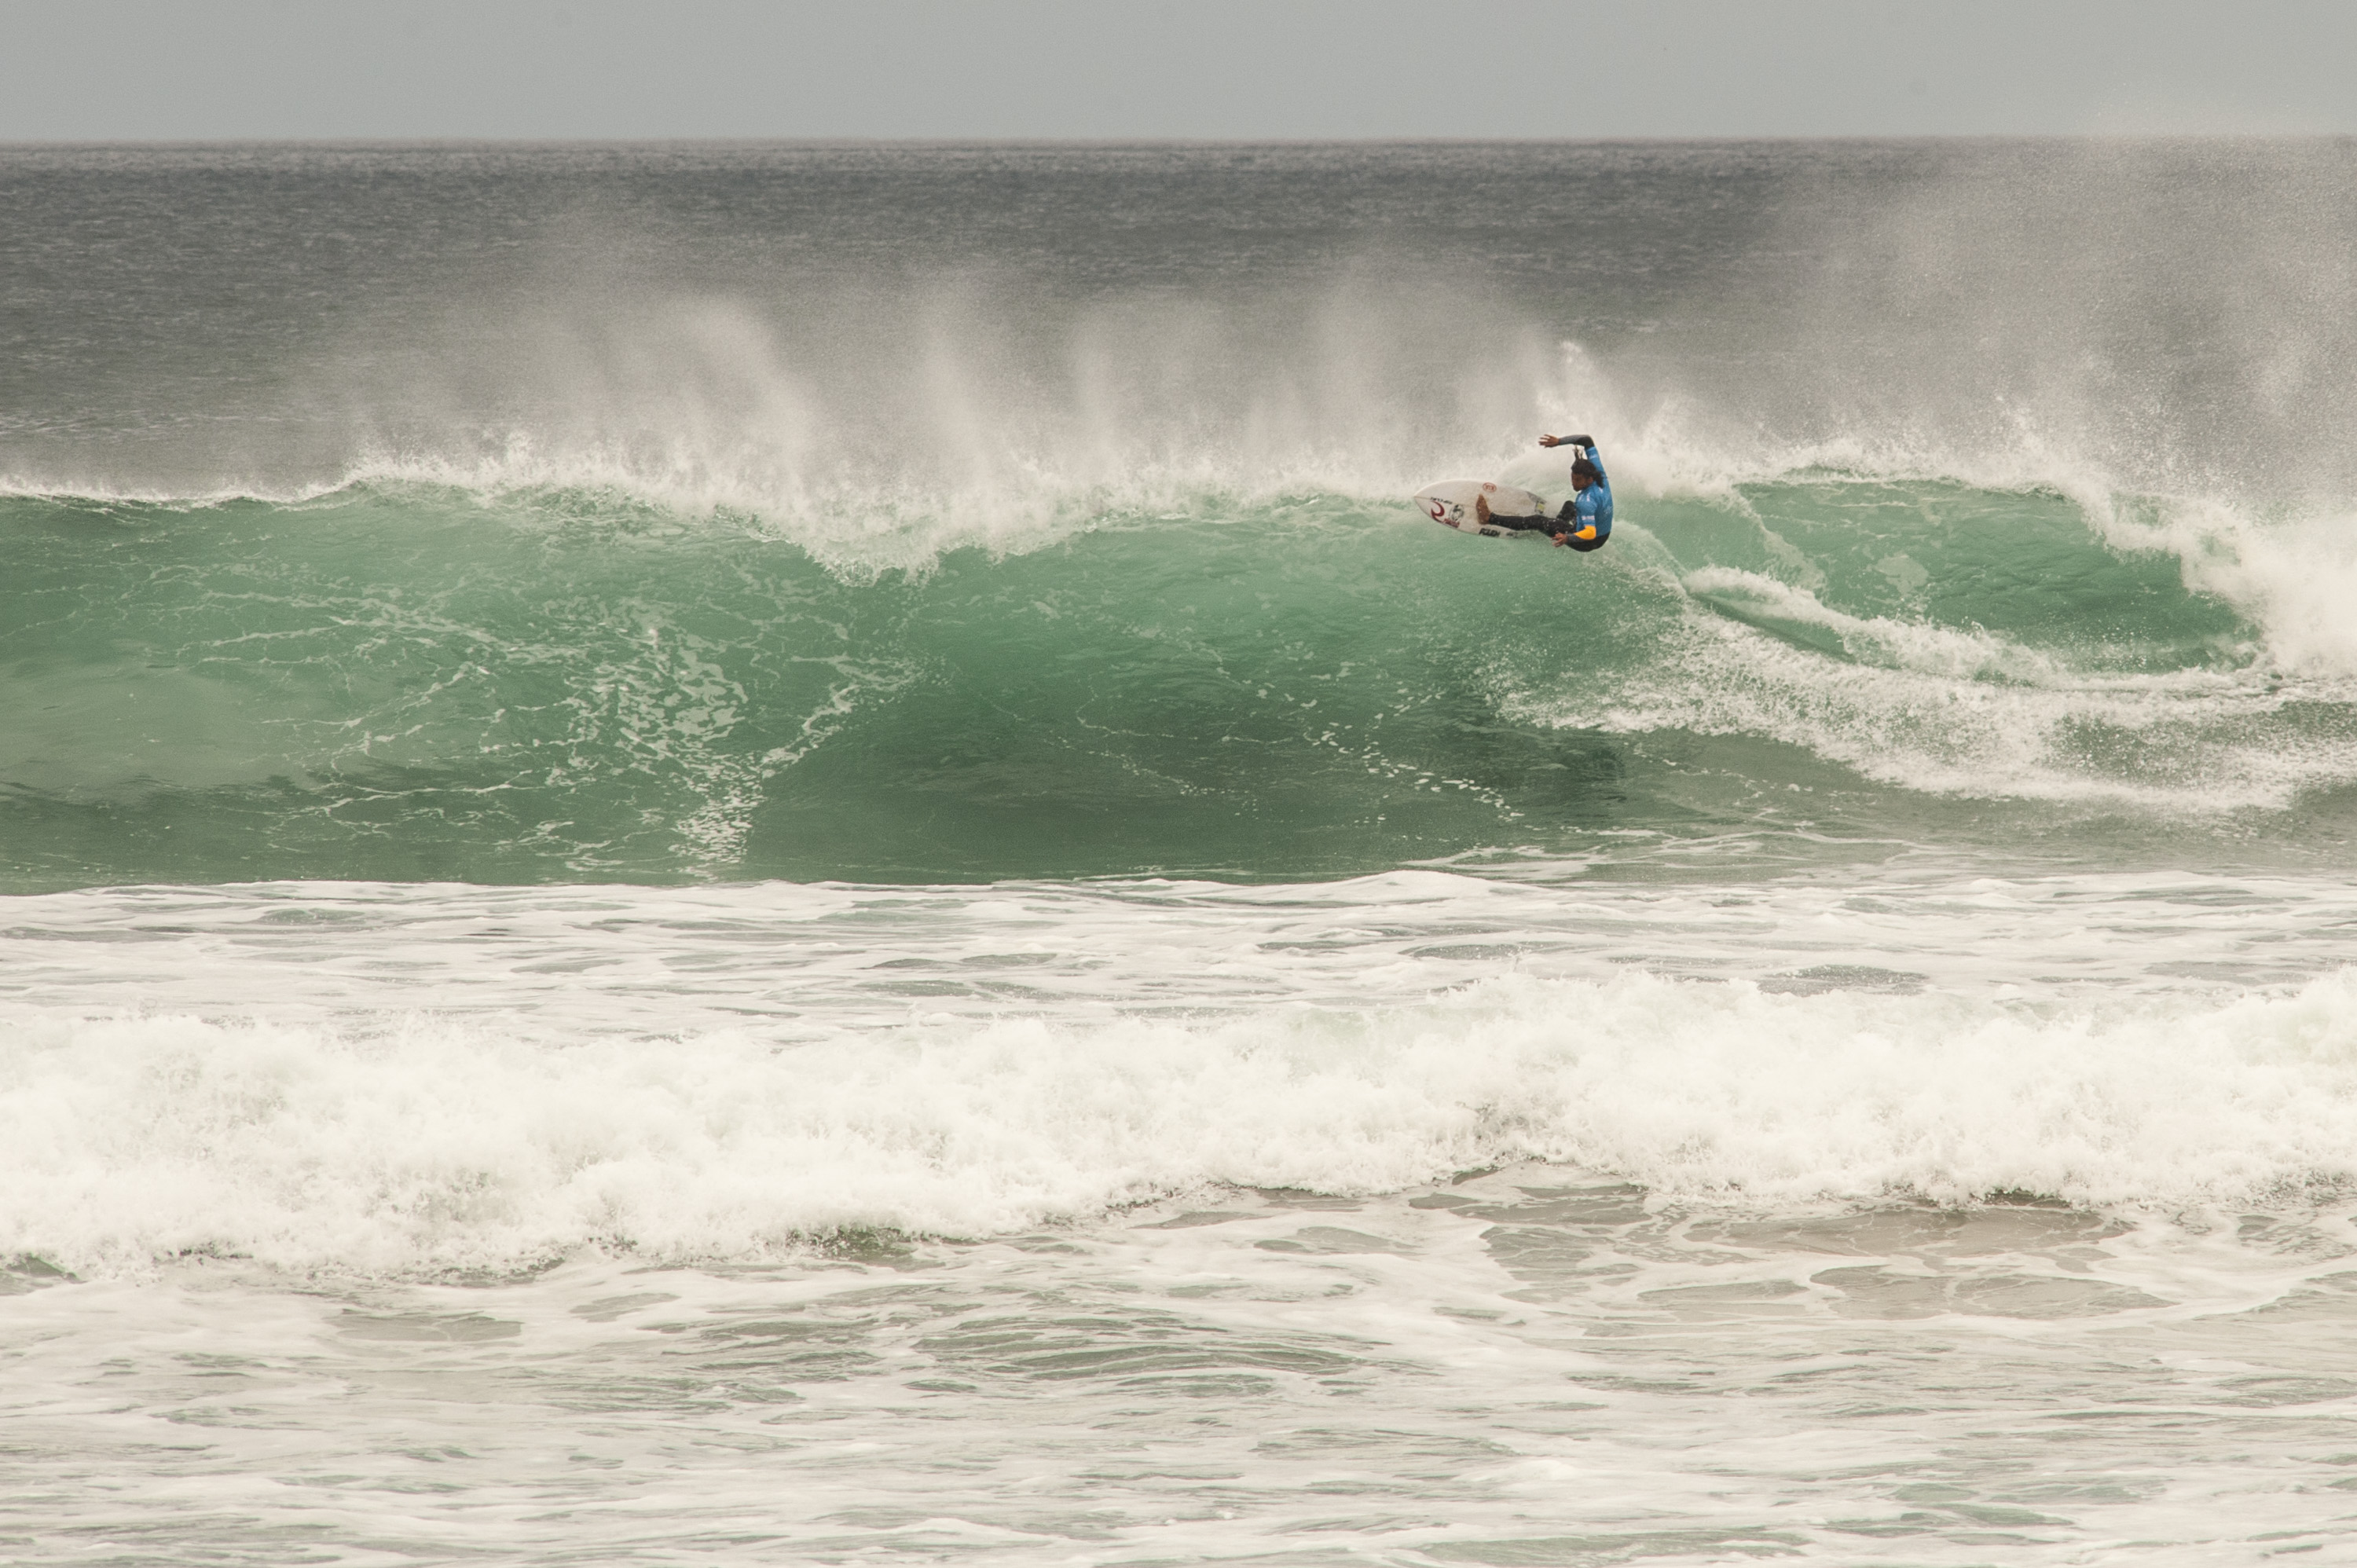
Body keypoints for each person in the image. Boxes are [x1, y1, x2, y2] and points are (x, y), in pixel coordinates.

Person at [1473, 433, 1613, 550]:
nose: (1573, 482)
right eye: (1572, 477)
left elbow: (1590, 533)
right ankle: (1555, 525)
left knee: (1537, 520)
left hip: (1587, 543)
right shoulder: (1599, 473)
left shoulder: (1586, 502)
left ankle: (1489, 518)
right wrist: (1559, 442)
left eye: (1578, 480)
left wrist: (1567, 538)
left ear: (1589, 480)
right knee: (1569, 506)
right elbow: (1586, 440)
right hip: (1604, 533)